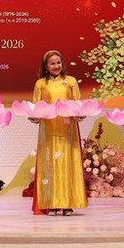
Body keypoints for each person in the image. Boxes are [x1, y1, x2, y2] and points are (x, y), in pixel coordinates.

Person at [30, 50, 88, 216]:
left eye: (58, 63)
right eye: (52, 63)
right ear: (46, 66)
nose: (56, 66)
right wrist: (34, 117)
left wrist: (80, 114)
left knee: (68, 164)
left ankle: (68, 203)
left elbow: (77, 103)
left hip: (68, 128)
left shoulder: (71, 81)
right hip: (48, 130)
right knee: (50, 165)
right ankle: (52, 203)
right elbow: (36, 106)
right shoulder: (41, 83)